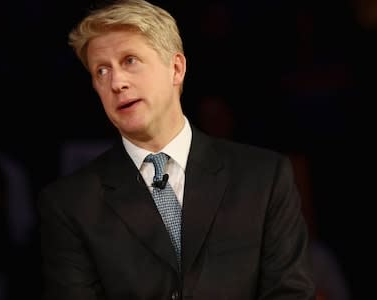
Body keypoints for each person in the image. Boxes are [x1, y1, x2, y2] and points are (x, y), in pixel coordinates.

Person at [38, 1, 315, 299]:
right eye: (101, 71)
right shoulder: (70, 204)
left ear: (176, 68)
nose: (116, 82)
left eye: (129, 60)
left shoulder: (263, 178)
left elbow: (290, 293)